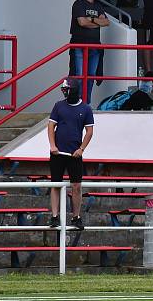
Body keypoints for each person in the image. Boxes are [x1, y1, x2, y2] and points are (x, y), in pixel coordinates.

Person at [47, 79, 94, 231]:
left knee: (76, 186)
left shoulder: (86, 109)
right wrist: (52, 145)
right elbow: (51, 126)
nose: (64, 92)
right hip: (58, 153)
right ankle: (54, 216)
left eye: (67, 89)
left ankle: (76, 216)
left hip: (74, 154)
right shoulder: (58, 106)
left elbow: (89, 132)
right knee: (55, 184)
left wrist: (81, 149)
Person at [70, 0, 110, 103]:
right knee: (79, 75)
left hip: (94, 46)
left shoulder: (98, 5)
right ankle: (78, 102)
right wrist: (97, 22)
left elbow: (106, 22)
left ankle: (86, 103)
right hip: (79, 45)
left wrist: (91, 19)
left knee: (91, 76)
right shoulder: (79, 4)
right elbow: (81, 22)